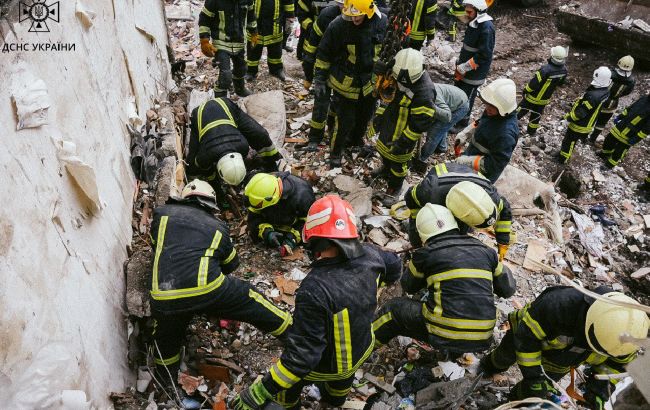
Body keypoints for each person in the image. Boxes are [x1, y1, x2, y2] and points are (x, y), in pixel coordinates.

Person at [232, 195, 402, 409]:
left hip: (326, 366)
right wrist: (378, 285)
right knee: (341, 384)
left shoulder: (314, 289)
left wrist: (261, 390)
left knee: (286, 389)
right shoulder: (372, 254)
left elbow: (302, 357)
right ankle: (333, 402)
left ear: (317, 241)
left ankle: (290, 405)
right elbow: (395, 265)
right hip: (362, 349)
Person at [148, 180, 292, 381]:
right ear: (211, 205)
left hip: (162, 295)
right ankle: (290, 330)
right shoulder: (217, 227)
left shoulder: (161, 214)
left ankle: (166, 380)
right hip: (207, 289)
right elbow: (232, 264)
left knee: (166, 336)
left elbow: (157, 248)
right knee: (248, 297)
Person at [373, 203, 516, 356]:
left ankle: (363, 346)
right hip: (483, 335)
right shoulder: (486, 250)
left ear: (422, 235)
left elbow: (408, 286)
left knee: (394, 310)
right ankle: (454, 352)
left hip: (445, 333)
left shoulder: (425, 253)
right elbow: (508, 289)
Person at [480, 286, 649, 408]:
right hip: (524, 333)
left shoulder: (630, 336)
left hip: (563, 360)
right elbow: (526, 338)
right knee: (504, 357)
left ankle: (510, 402)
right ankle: (488, 366)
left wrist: (600, 391)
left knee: (535, 391)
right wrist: (533, 374)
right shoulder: (559, 305)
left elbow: (616, 366)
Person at [313, 0, 387, 167]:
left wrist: (384, 65)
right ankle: (335, 153)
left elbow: (388, 49)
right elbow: (324, 53)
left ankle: (355, 141)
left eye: (357, 15)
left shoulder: (382, 22)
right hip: (345, 82)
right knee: (344, 121)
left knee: (364, 116)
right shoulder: (338, 25)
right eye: (351, 14)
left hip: (369, 82)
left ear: (368, 11)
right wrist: (319, 79)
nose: (353, 19)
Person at [404, 162, 513, 258]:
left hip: (461, 181)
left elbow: (505, 210)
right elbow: (410, 196)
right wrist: (419, 223)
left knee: (460, 232)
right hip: (440, 180)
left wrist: (503, 241)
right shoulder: (429, 192)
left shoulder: (490, 195)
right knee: (424, 234)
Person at [186, 97, 281, 204]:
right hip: (199, 113)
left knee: (260, 134)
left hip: (226, 106)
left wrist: (271, 162)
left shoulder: (242, 145)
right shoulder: (205, 156)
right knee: (192, 166)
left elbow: (258, 136)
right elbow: (207, 171)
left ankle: (271, 162)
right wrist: (215, 186)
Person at [374, 48, 436, 194]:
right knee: (385, 151)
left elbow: (421, 123)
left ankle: (395, 188)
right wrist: (380, 116)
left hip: (405, 132)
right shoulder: (398, 69)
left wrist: (404, 142)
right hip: (391, 123)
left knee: (399, 163)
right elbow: (388, 96)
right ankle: (385, 168)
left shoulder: (425, 92)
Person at [300, 0, 344, 151]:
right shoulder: (327, 15)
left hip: (344, 68)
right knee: (321, 101)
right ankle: (315, 137)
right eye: (342, 5)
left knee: (340, 103)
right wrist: (309, 64)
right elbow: (313, 42)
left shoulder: (362, 20)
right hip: (323, 63)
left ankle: (333, 131)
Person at [457, 78, 519, 183]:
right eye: (487, 103)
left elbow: (494, 165)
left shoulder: (506, 134)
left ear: (503, 107)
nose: (486, 108)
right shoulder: (494, 111)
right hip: (473, 154)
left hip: (481, 175)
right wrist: (465, 133)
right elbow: (482, 121)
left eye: (491, 106)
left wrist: (468, 162)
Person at [244, 172, 316, 253]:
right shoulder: (260, 188)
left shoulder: (303, 196)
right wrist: (267, 233)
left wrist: (292, 238)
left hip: (293, 227)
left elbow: (309, 223)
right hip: (273, 224)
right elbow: (253, 218)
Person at [199, 0, 257, 97]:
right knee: (225, 76)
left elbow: (251, 15)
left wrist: (254, 32)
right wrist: (204, 40)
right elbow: (204, 18)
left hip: (239, 42)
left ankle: (239, 88)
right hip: (221, 43)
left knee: (241, 69)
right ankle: (220, 99)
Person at [453, 0, 495, 128]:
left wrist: (465, 66)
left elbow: (484, 55)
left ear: (479, 11)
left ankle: (462, 123)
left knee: (467, 98)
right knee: (459, 93)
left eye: (469, 12)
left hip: (475, 73)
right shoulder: (475, 23)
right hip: (465, 68)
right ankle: (456, 117)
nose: (467, 14)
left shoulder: (486, 28)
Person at [558, 66, 611, 164]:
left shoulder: (593, 96)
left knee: (568, 142)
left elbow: (580, 113)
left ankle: (562, 159)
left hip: (580, 125)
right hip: (589, 123)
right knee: (571, 141)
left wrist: (567, 119)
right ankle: (565, 154)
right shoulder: (605, 91)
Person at [517, 46, 568, 137]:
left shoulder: (545, 70)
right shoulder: (564, 70)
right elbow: (561, 83)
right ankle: (531, 132)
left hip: (532, 98)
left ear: (552, 56)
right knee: (536, 115)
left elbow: (534, 84)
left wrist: (526, 91)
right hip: (544, 100)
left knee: (519, 112)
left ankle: (505, 124)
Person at [416, 83, 470, 167]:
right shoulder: (423, 89)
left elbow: (447, 116)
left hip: (460, 106)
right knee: (442, 126)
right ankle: (442, 147)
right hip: (455, 100)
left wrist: (431, 108)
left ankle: (421, 158)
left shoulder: (433, 96)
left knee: (434, 131)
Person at [245, 0, 296, 81]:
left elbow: (289, 3)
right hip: (255, 25)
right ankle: (251, 71)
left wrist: (290, 18)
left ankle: (276, 70)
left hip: (274, 24)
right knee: (253, 50)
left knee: (275, 50)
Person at [589, 56, 636, 143]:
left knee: (591, 117)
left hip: (600, 99)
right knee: (602, 123)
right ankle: (592, 139)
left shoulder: (609, 73)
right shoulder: (631, 81)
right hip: (613, 103)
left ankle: (583, 136)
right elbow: (627, 92)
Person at [598, 92, 649, 169]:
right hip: (622, 125)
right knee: (609, 139)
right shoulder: (644, 98)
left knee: (620, 150)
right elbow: (631, 107)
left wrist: (636, 138)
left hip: (631, 133)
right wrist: (621, 116)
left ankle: (609, 165)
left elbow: (647, 128)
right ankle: (605, 154)